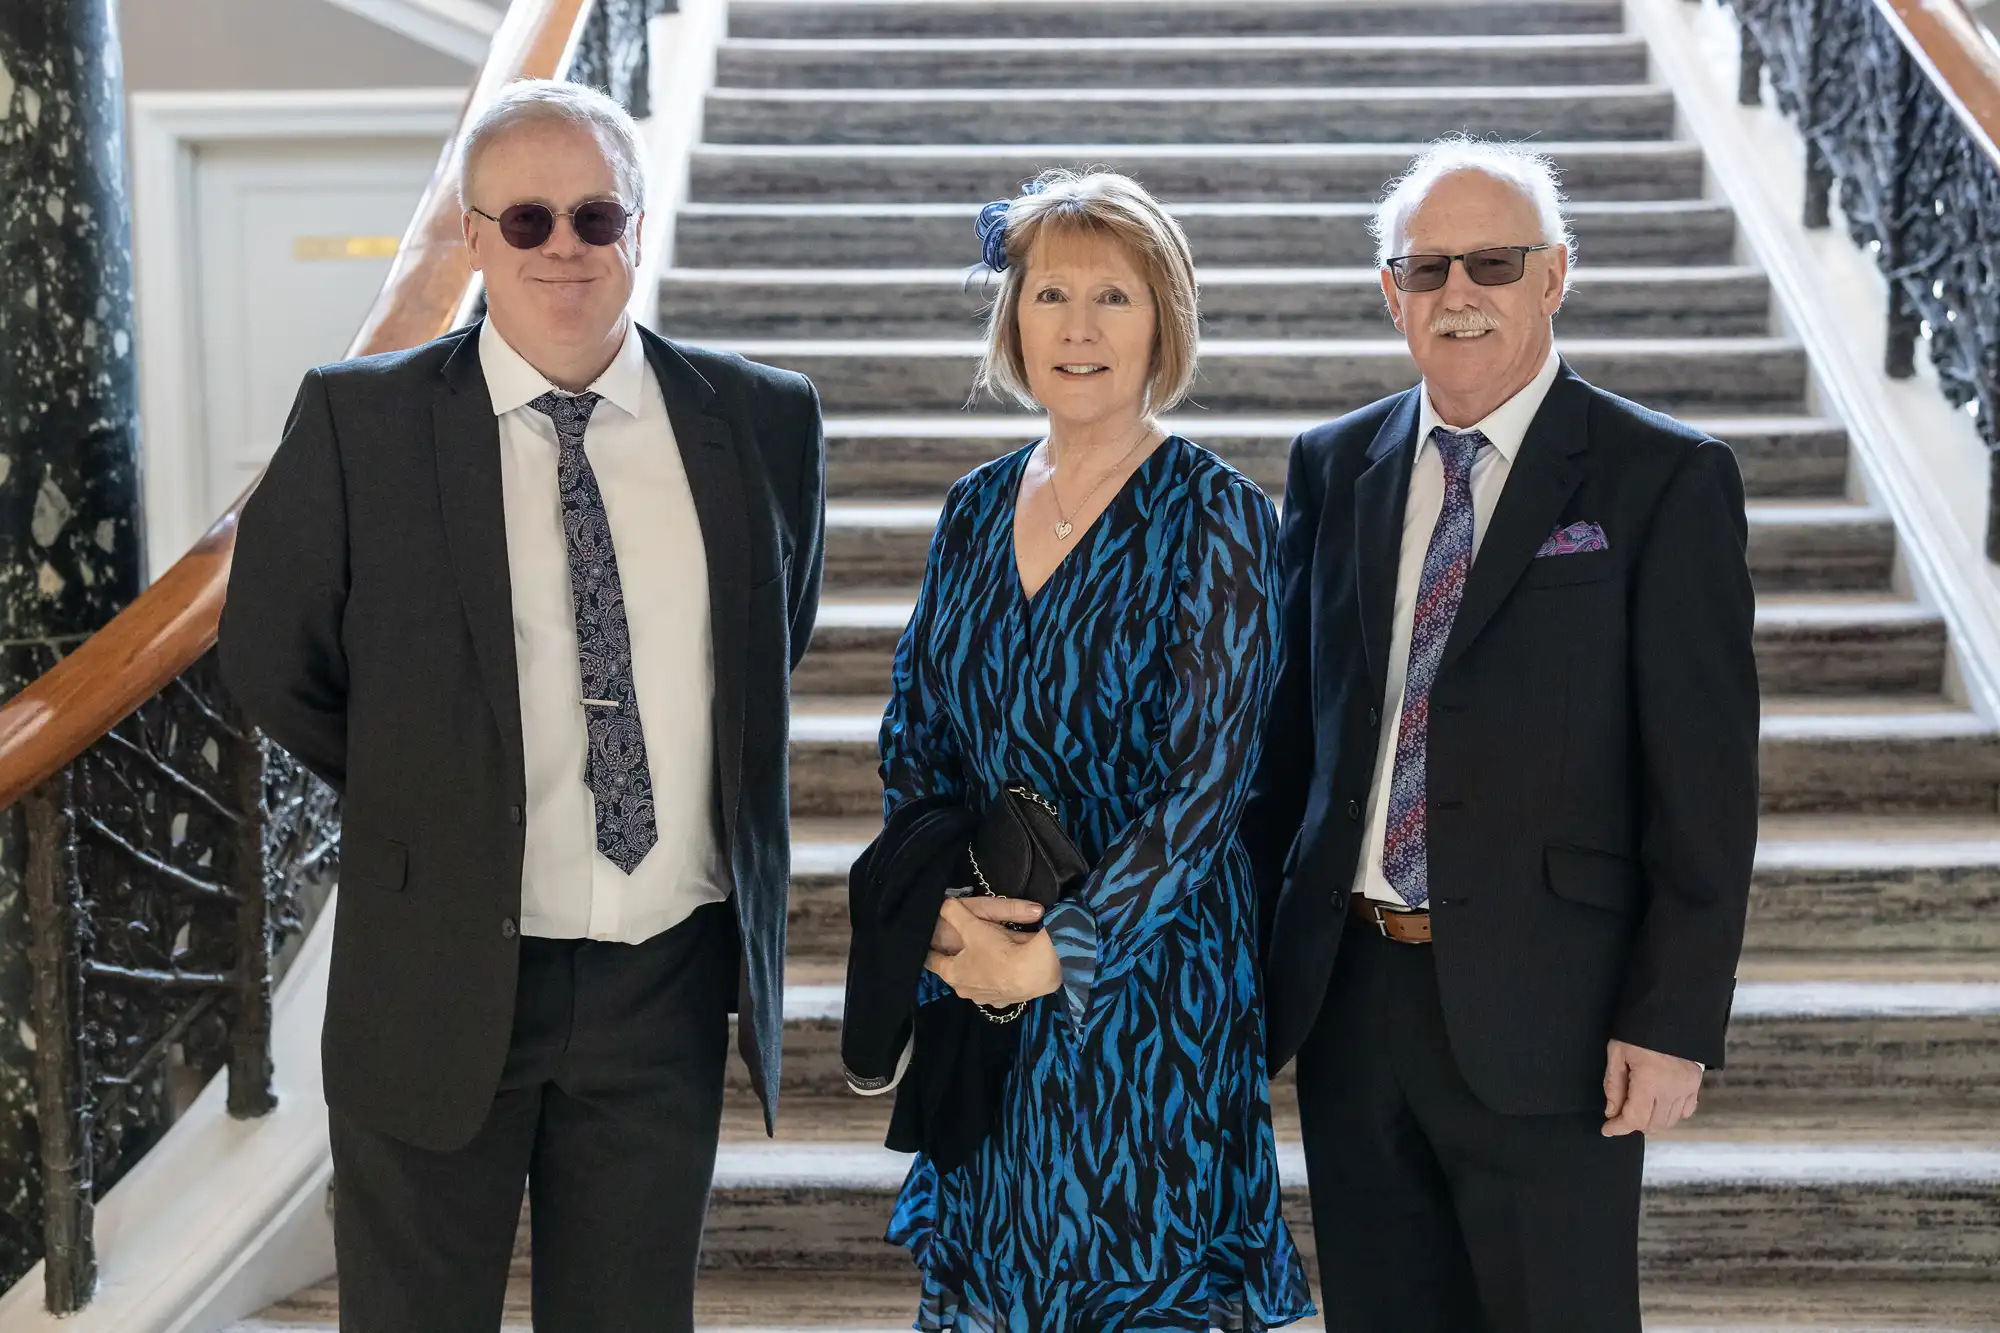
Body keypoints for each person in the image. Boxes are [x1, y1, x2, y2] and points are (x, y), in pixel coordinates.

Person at [218, 78, 824, 1333]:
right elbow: (274, 658)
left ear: (637, 230)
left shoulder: (763, 420)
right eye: (530, 219)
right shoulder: (359, 422)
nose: (564, 248)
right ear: (476, 236)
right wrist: (433, 790)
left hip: (662, 982)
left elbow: (772, 638)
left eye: (596, 217)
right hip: (436, 970)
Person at [1244, 136, 1759, 1333]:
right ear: (1390, 293)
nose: (1457, 294)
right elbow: (1288, 751)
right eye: (1426, 270)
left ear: (1553, 276)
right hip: (1351, 995)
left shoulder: (1661, 479)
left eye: (1491, 262)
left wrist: (1670, 1018)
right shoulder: (1333, 466)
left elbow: (1704, 782)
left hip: (1556, 1011)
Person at [875, 168, 1313, 1332]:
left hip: (1146, 983)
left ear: (1162, 318)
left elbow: (1208, 787)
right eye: (1049, 293)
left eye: (1112, 297)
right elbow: (913, 733)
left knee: (1138, 1283)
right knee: (989, 1280)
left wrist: (1062, 949)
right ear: (1010, 320)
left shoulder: (1215, 512)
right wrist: (945, 920)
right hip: (982, 965)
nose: (1077, 327)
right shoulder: (971, 507)